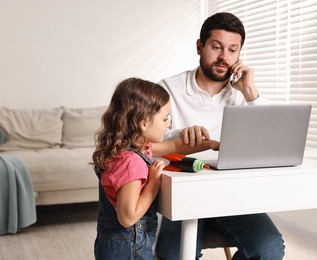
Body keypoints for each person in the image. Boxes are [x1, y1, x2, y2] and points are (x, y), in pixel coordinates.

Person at [155, 12, 285, 260]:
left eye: (232, 50)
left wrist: (250, 91)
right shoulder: (167, 89)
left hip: (231, 193)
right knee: (172, 255)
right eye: (216, 47)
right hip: (185, 194)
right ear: (199, 46)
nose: (224, 57)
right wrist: (179, 136)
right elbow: (147, 142)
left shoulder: (242, 94)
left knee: (269, 250)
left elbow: (271, 138)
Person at [92, 77, 219, 260]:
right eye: (165, 119)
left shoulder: (133, 148)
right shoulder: (131, 163)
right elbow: (127, 218)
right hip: (128, 249)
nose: (169, 124)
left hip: (117, 245)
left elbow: (174, 147)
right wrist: (154, 183)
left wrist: (211, 144)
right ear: (144, 123)